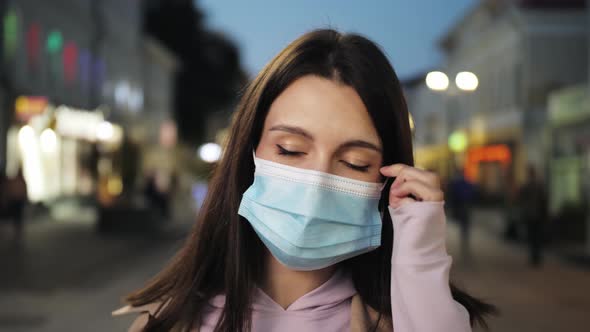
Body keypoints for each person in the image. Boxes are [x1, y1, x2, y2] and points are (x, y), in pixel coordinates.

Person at [114, 29, 496, 331]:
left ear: (388, 179)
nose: (316, 183)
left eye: (354, 162)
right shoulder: (169, 322)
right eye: (291, 150)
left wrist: (420, 258)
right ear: (249, 153)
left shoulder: (405, 320)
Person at [519, 164, 547, 267]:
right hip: (537, 215)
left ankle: (534, 257)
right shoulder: (538, 186)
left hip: (531, 215)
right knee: (536, 236)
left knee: (532, 236)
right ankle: (536, 257)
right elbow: (543, 200)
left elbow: (521, 200)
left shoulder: (527, 186)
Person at [448, 168, 476, 261]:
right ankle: (465, 242)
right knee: (465, 225)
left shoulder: (456, 183)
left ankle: (464, 242)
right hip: (466, 206)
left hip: (461, 206)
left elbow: (452, 195)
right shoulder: (467, 183)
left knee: (464, 225)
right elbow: (473, 193)